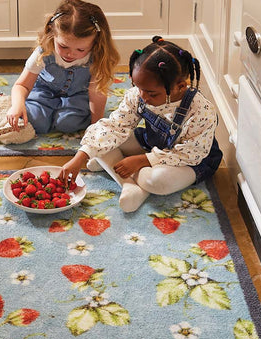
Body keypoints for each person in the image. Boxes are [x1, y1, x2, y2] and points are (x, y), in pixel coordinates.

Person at [60, 36, 223, 212]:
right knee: (98, 140)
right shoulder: (138, 95)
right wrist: (79, 158)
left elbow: (192, 153)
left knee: (154, 180)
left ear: (181, 86)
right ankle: (129, 186)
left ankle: (123, 171)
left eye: (152, 94)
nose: (143, 97)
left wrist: (143, 160)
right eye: (139, 88)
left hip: (190, 161)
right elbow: (114, 126)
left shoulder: (201, 111)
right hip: (151, 144)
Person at [6, 0, 120, 135]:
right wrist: (17, 106)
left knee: (67, 123)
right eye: (63, 46)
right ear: (52, 34)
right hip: (44, 92)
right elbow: (22, 85)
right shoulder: (44, 52)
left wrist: (96, 125)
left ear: (96, 42)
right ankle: (11, 107)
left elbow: (96, 94)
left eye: (81, 49)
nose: (70, 53)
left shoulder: (97, 57)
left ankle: (60, 115)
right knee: (36, 122)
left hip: (78, 95)